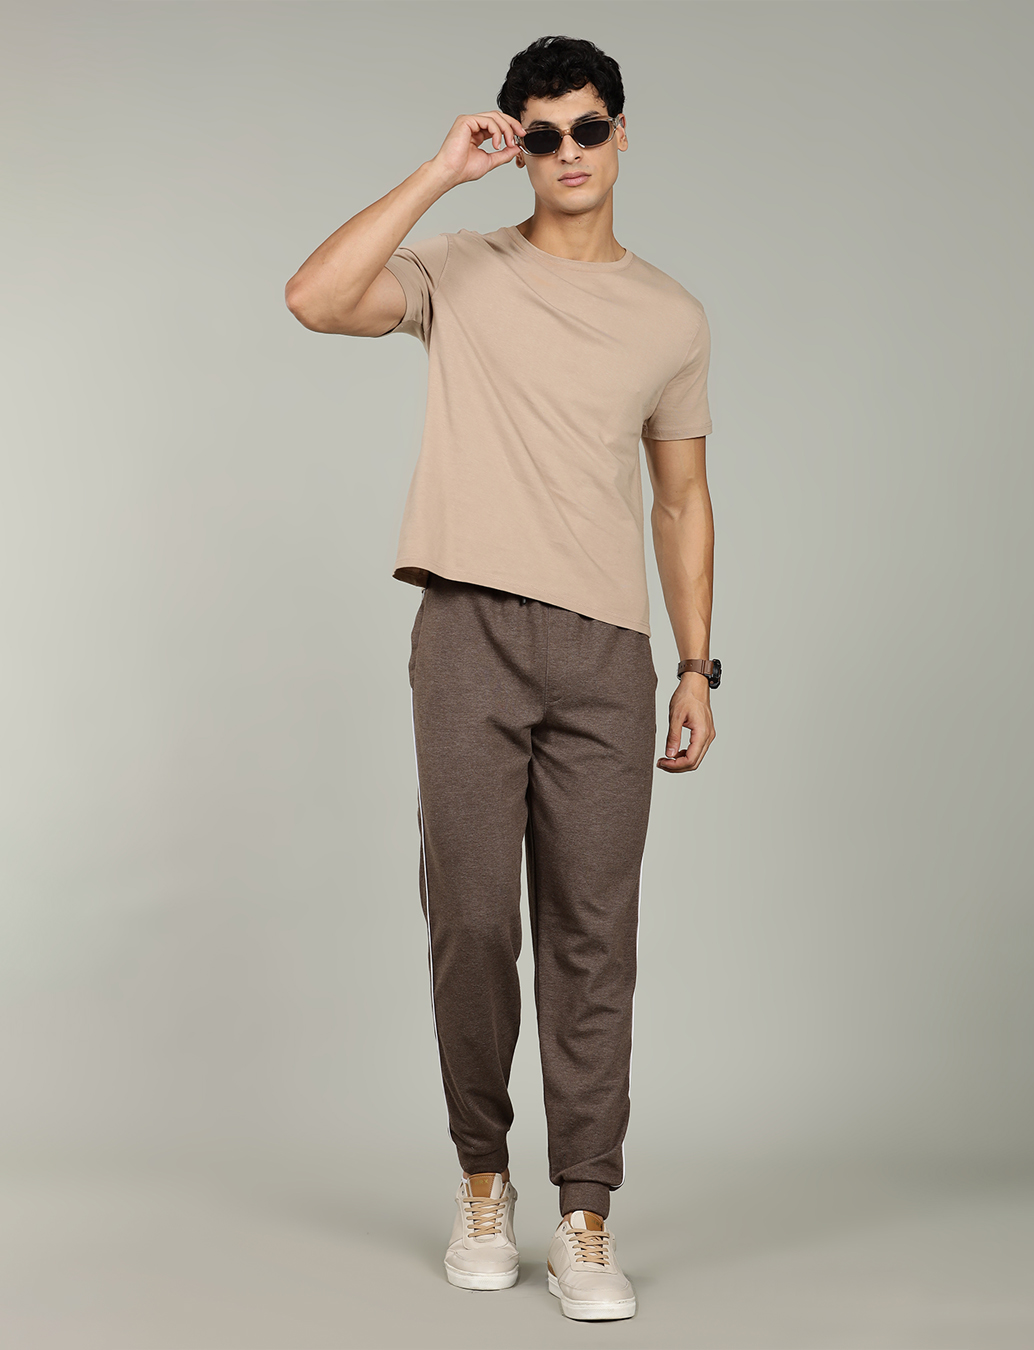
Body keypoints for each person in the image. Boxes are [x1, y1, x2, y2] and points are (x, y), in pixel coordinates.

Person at [284, 34, 718, 1323]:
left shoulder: (673, 316)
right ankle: (485, 1178)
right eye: (541, 135)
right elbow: (314, 297)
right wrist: (438, 171)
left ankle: (586, 1213)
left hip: (607, 657)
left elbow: (683, 498)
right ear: (516, 145)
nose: (567, 153)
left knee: (594, 937)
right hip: (467, 630)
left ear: (622, 134)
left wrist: (699, 664)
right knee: (471, 925)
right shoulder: (461, 270)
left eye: (587, 129)